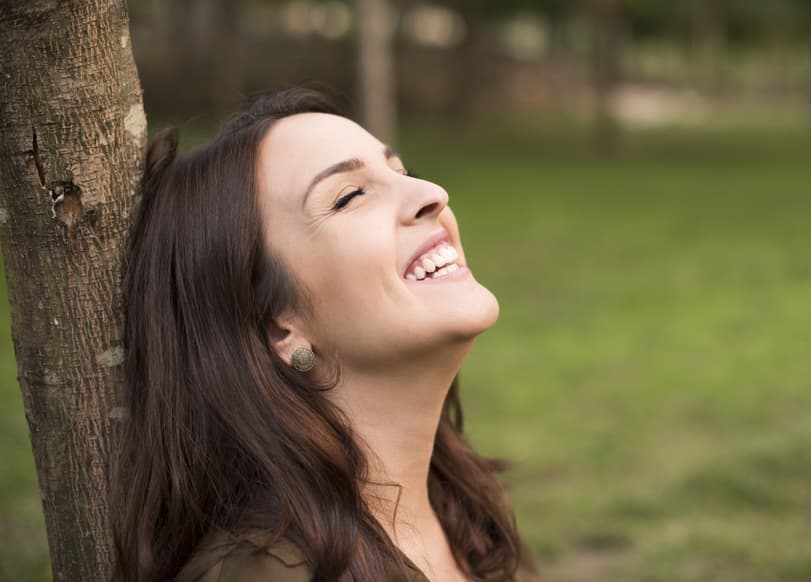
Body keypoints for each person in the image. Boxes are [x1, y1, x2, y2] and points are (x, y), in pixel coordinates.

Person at [111, 89, 534, 582]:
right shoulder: (263, 574)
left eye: (403, 173)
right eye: (349, 196)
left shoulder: (462, 509)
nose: (432, 194)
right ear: (280, 328)